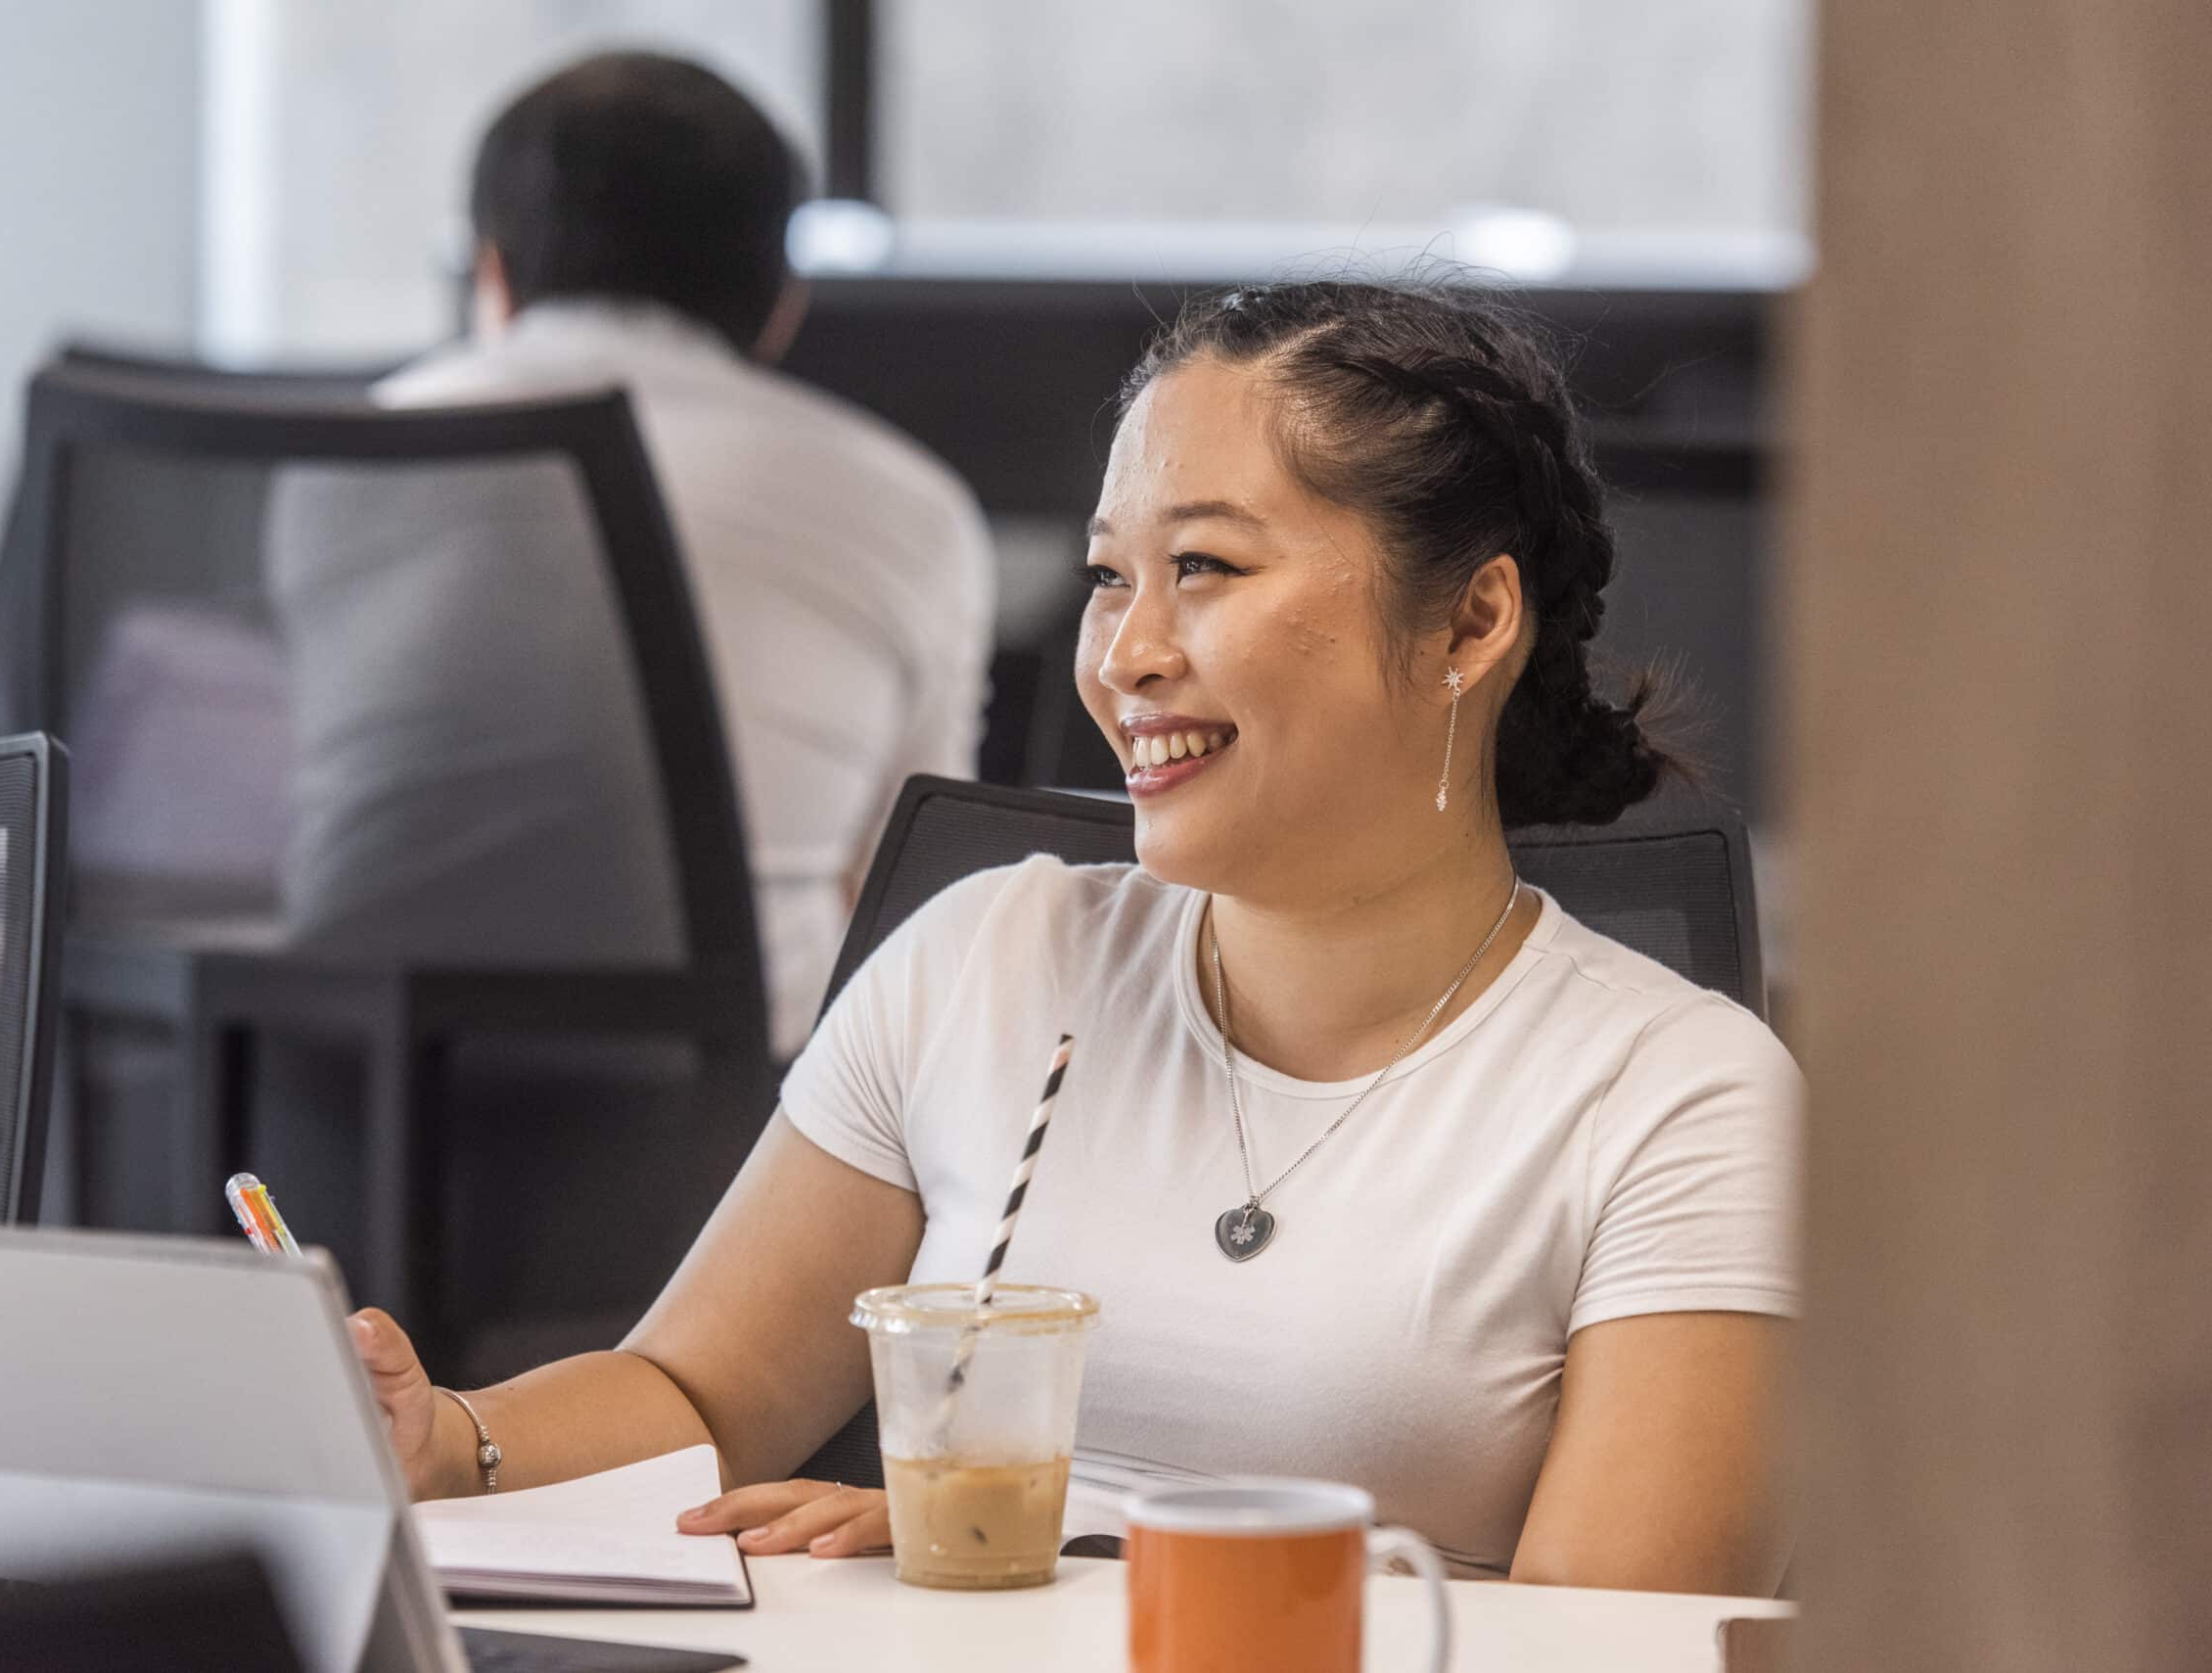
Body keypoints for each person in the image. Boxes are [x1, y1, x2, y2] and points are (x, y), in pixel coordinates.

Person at [346, 279, 1802, 1595]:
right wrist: (450, 1439)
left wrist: (1069, 1556)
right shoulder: (990, 953)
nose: (1127, 655)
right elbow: (696, 1401)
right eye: (1114, 576)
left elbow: (1611, 1640)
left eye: (1208, 569)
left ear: (1474, 620)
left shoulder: (1681, 1099)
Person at [274, 53, 994, 1056]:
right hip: (730, 1149)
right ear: (780, 296)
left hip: (317, 1109)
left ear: (490, 270)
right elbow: (909, 898)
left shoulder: (324, 467)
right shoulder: (909, 503)